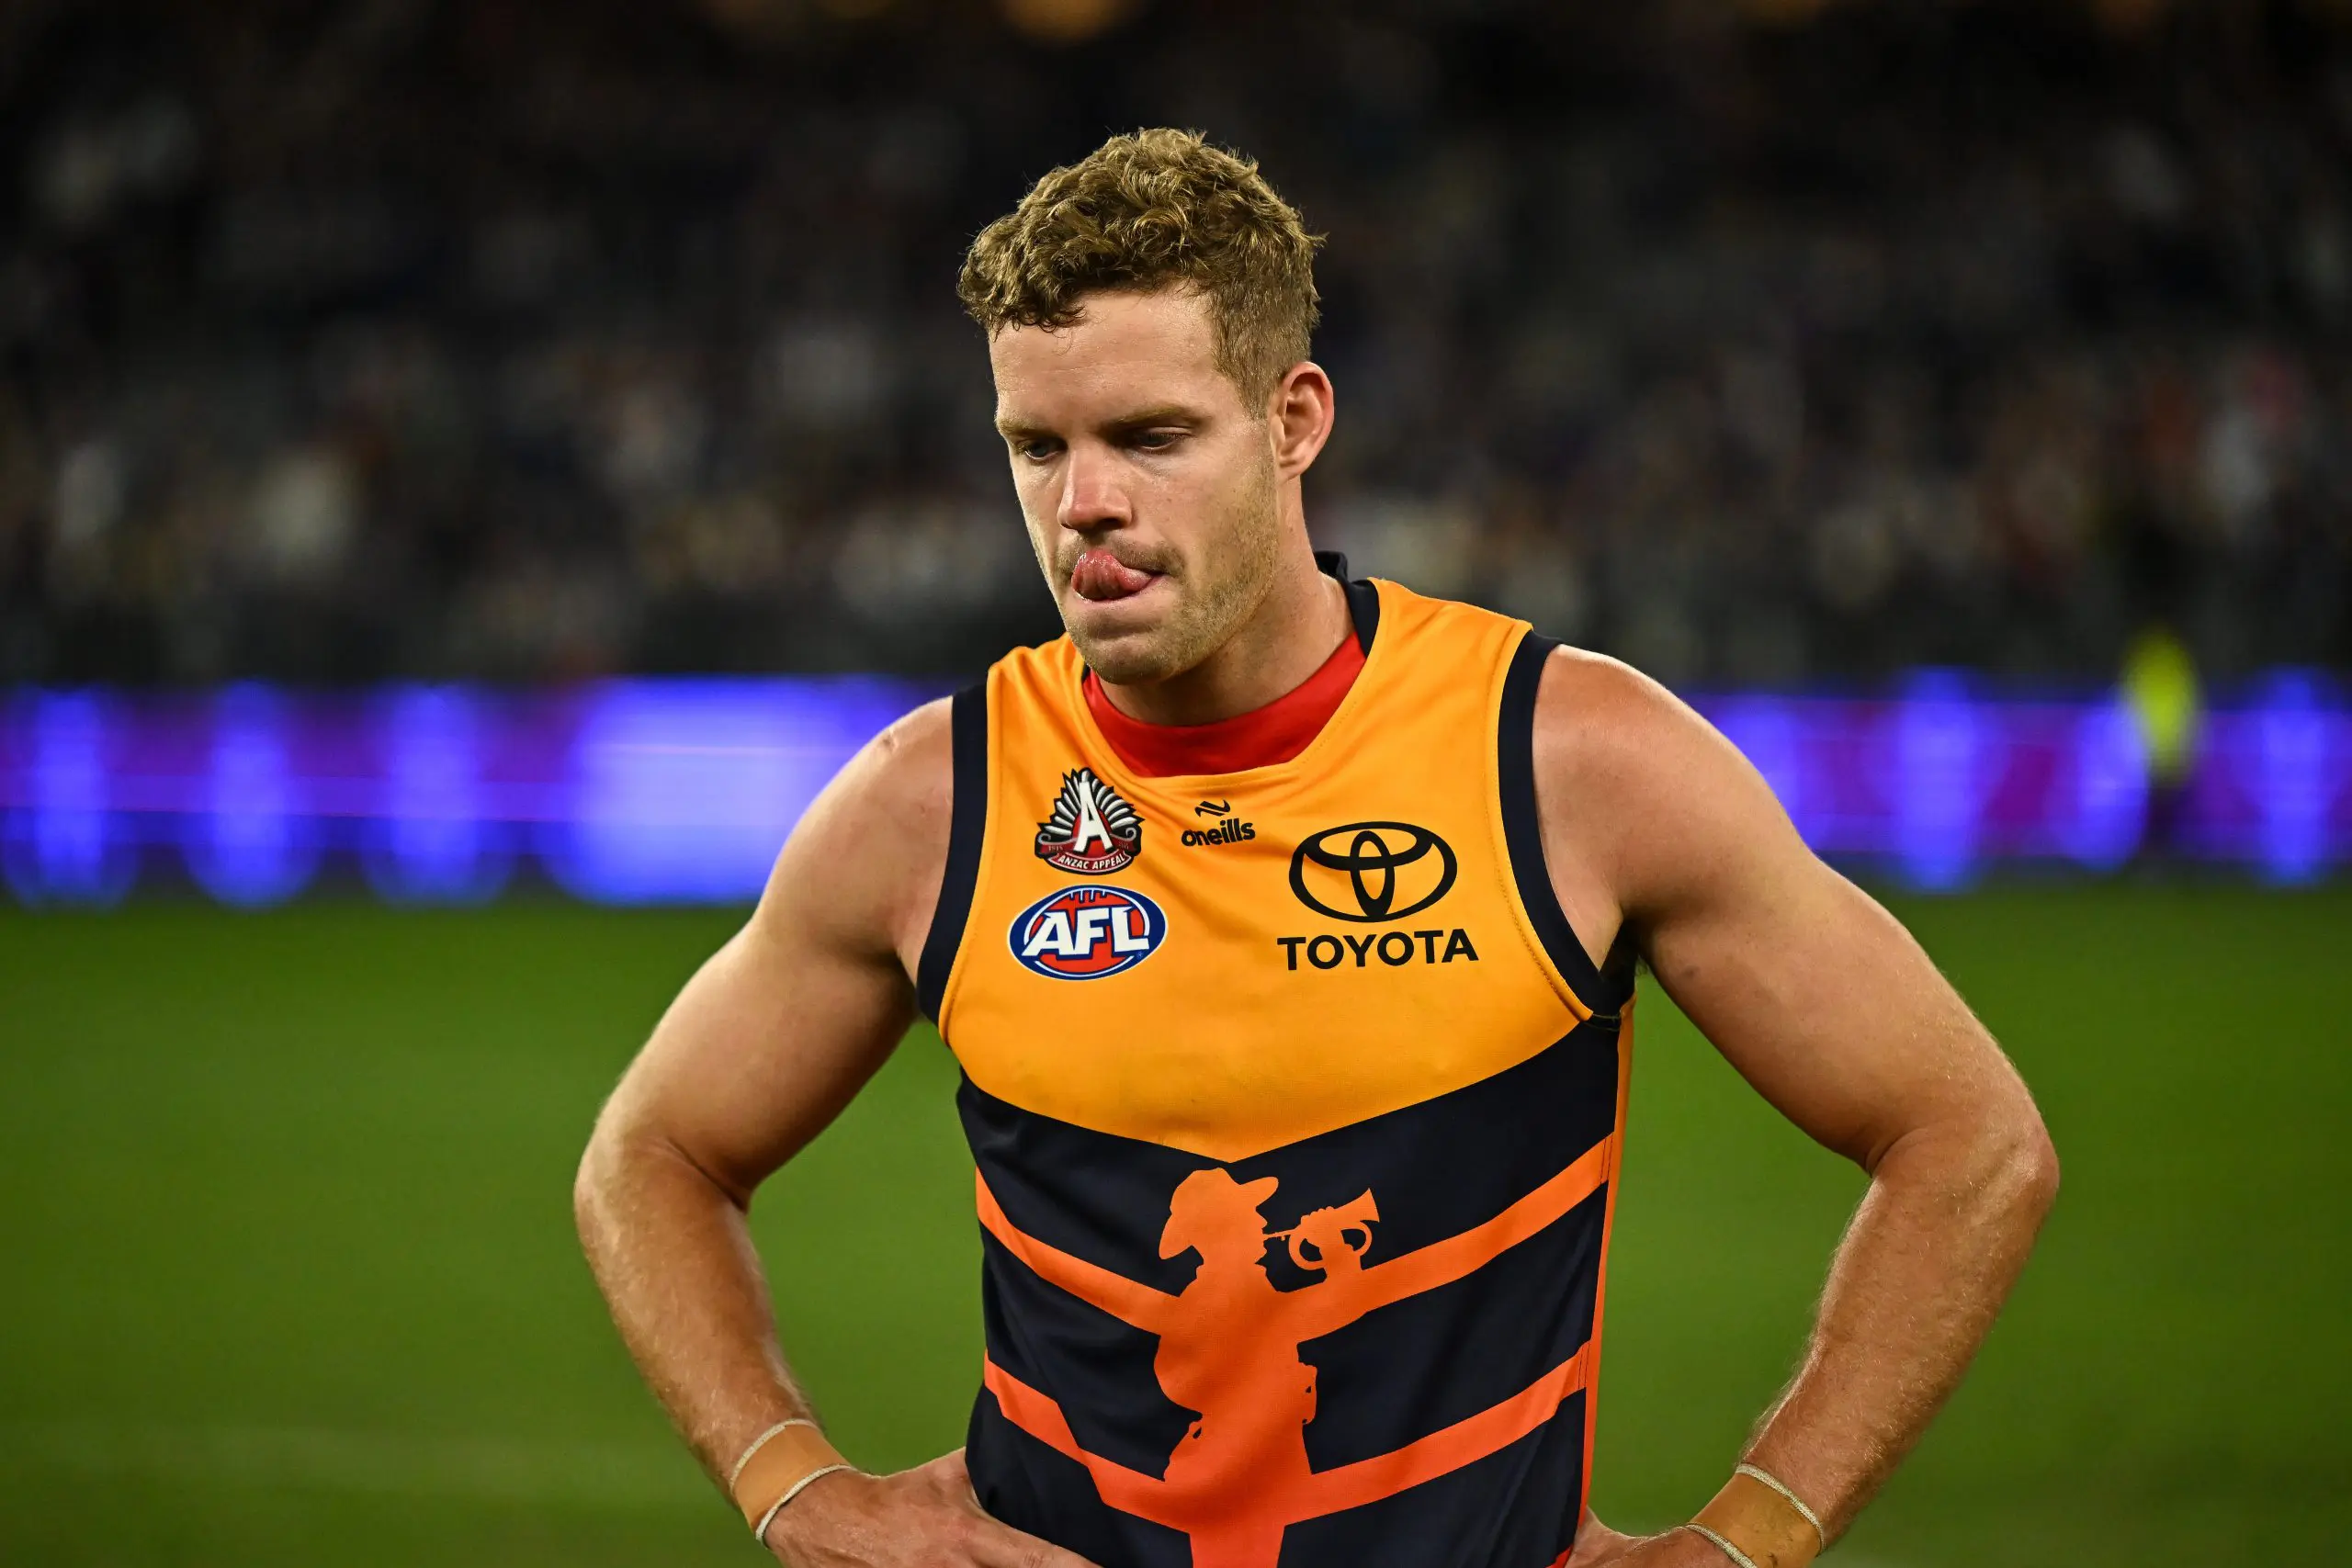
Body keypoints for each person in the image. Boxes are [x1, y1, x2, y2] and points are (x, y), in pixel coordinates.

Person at [574, 129, 2059, 1568]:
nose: (1085, 502)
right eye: (1037, 445)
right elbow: (651, 1155)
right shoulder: (933, 804)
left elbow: (1971, 1141)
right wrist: (797, 1487)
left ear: (1294, 420)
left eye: (1151, 436)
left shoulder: (1567, 762)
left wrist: (1750, 1535)